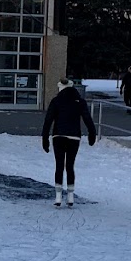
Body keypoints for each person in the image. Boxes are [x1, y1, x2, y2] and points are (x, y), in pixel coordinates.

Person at [42, 78, 97, 208]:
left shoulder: (56, 101)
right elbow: (87, 118)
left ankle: (58, 196)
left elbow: (48, 120)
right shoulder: (80, 102)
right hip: (74, 137)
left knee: (59, 165)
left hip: (58, 136)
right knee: (70, 166)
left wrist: (44, 138)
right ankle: (71, 196)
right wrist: (92, 134)